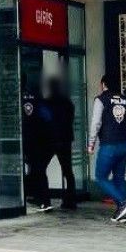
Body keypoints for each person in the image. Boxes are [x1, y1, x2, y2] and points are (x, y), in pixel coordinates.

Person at [88, 75, 126, 224]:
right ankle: (123, 214)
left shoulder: (101, 99)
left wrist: (91, 143)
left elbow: (96, 122)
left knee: (100, 177)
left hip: (109, 145)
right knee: (119, 178)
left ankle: (123, 202)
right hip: (125, 145)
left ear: (103, 84)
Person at [21, 77, 55, 211]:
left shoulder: (16, 97)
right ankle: (41, 199)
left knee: (36, 170)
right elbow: (48, 117)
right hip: (39, 140)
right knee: (37, 170)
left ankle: (43, 200)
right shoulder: (36, 97)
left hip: (28, 139)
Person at [47, 76, 78, 210]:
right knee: (68, 171)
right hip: (65, 139)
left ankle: (44, 199)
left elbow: (46, 121)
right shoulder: (67, 102)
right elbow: (70, 119)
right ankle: (70, 200)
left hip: (51, 140)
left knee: (40, 168)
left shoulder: (48, 102)